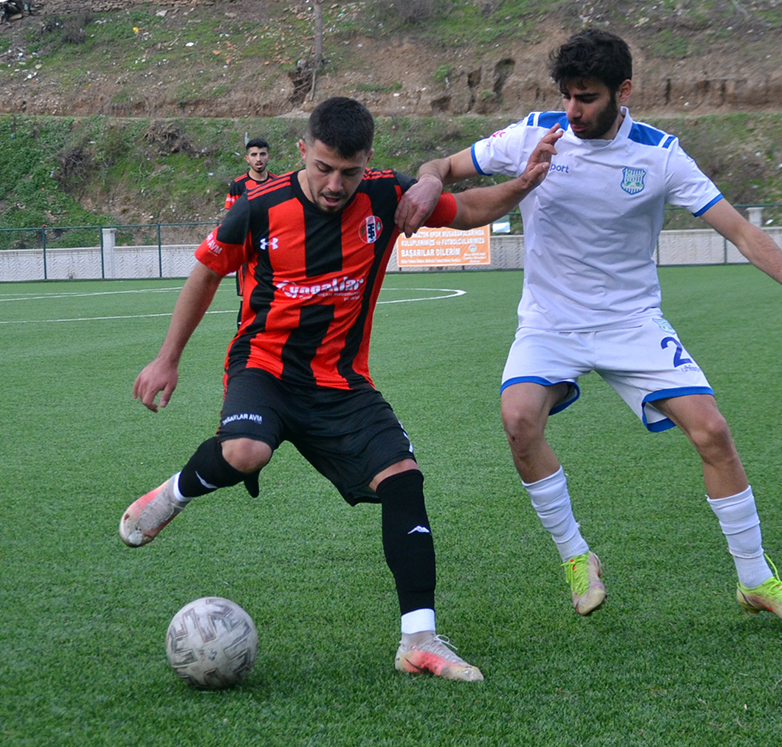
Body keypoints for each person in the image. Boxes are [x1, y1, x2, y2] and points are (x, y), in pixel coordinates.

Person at [397, 30, 782, 628]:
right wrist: (430, 179)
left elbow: (739, 229)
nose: (572, 110)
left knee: (712, 432)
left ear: (624, 90)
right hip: (550, 323)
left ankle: (756, 580)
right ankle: (576, 557)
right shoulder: (533, 134)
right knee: (518, 420)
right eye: (566, 95)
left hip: (631, 322)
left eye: (587, 97)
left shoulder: (659, 155)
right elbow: (443, 166)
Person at [121, 97, 557, 682]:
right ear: (303, 150)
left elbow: (469, 209)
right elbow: (205, 271)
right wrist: (167, 358)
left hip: (341, 382)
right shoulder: (258, 208)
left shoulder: (385, 195)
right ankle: (174, 493)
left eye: (348, 172)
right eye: (323, 167)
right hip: (265, 368)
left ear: (367, 160)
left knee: (403, 480)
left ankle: (419, 641)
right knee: (246, 451)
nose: (334, 184)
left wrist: (523, 184)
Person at [225, 139, 277, 309]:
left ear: (269, 157)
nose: (258, 158)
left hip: (273, 247)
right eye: (254, 155)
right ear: (247, 159)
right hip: (247, 250)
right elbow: (231, 220)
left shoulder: (278, 183)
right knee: (246, 298)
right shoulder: (238, 185)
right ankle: (243, 326)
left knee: (275, 296)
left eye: (262, 154)